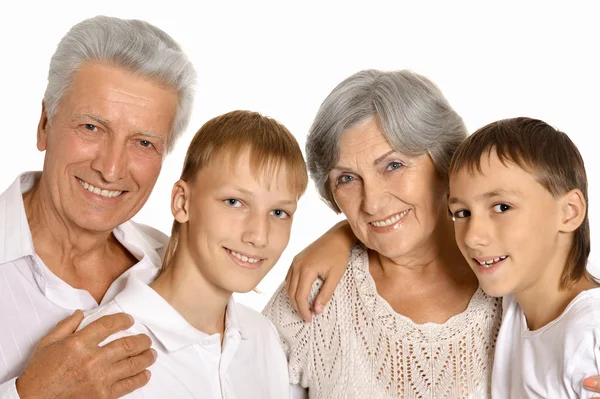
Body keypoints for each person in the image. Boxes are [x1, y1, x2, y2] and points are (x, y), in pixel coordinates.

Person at [263, 69, 600, 398]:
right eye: (347, 179)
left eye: (393, 165)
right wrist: (341, 235)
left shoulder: (511, 282)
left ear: (445, 164)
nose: (373, 203)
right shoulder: (312, 295)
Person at [0, 16, 196, 398]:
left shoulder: (176, 266)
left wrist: (341, 239)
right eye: (92, 127)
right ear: (45, 124)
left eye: (143, 143)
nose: (110, 169)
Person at [78, 110, 308, 398]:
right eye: (234, 202)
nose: (259, 236)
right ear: (182, 202)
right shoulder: (102, 352)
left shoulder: (265, 338)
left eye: (279, 212)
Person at [448, 117, 600, 398]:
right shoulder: (516, 299)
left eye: (502, 207)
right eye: (462, 213)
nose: (472, 236)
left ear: (569, 212)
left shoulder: (589, 337)